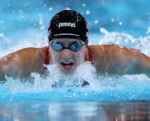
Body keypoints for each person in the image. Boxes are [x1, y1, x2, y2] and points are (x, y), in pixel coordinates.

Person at [0, 10, 150, 81]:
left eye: (75, 46)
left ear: (86, 44)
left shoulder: (112, 59)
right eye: (58, 45)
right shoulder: (26, 63)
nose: (66, 54)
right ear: (48, 45)